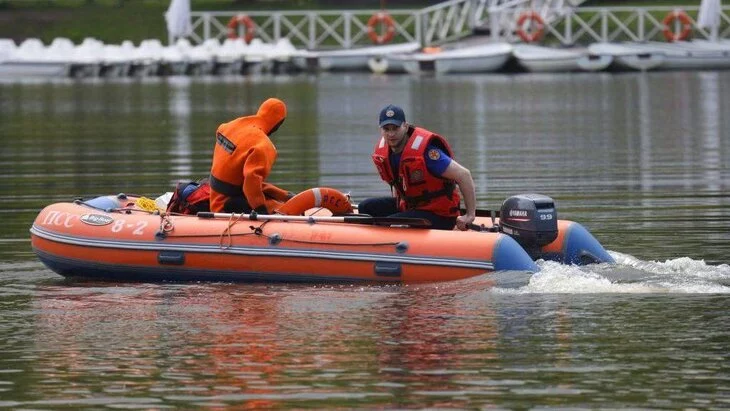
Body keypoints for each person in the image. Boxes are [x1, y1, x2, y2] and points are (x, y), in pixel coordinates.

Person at [359, 104, 476, 231]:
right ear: (381, 130)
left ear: (405, 126)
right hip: (411, 207)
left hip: (439, 213)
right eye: (387, 129)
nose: (391, 134)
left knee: (392, 222)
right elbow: (398, 184)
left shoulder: (426, 152)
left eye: (396, 128)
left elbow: (464, 175)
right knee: (365, 207)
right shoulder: (386, 153)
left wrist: (469, 215)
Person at [209, 97, 294, 214]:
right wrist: (262, 212)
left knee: (278, 201)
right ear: (278, 124)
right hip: (225, 205)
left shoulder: (229, 126)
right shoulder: (262, 146)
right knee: (283, 210)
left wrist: (285, 195)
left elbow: (242, 180)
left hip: (214, 198)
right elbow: (251, 186)